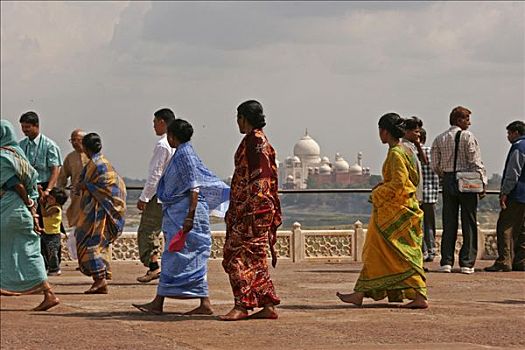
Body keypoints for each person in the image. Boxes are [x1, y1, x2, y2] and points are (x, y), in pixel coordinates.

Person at [132, 119, 229, 315]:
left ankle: (163, 302)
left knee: (178, 256)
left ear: (172, 136)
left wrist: (189, 217)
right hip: (182, 213)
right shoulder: (184, 154)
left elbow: (194, 187)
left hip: (186, 214)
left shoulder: (185, 156)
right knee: (182, 257)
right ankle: (198, 302)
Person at [336, 113, 428, 309]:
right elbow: (412, 180)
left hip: (394, 213)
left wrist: (378, 192)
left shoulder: (396, 152)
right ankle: (360, 293)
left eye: (380, 130)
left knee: (389, 253)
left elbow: (399, 184)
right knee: (387, 254)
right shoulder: (407, 150)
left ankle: (419, 295)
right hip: (405, 209)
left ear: (385, 131)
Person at [220, 100, 282, 321]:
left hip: (252, 212)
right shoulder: (255, 140)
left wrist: (248, 211)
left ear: (245, 118)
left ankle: (242, 305)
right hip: (253, 210)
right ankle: (267, 304)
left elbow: (259, 179)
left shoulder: (255, 141)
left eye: (238, 117)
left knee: (235, 256)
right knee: (256, 258)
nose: (237, 122)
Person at [0, 119, 60, 311]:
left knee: (17, 251)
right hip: (22, 212)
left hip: (11, 210)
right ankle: (44, 292)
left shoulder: (3, 157)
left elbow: (14, 184)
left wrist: (28, 201)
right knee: (29, 252)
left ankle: (47, 293)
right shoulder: (19, 154)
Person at [431, 106, 487, 274]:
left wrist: (445, 175)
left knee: (449, 221)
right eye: (467, 119)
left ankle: (446, 261)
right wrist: (482, 182)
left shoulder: (440, 138)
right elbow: (475, 162)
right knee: (469, 220)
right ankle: (467, 262)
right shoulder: (468, 137)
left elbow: (435, 164)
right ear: (459, 120)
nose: (469, 123)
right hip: (467, 179)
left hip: (448, 179)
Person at [75, 133, 126, 294]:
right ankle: (100, 277)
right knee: (95, 245)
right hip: (96, 210)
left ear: (85, 147)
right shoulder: (96, 163)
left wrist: (85, 186)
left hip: (102, 212)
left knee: (92, 246)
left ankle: (100, 280)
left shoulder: (98, 164)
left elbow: (106, 186)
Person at [136, 108, 176, 283]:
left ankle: (153, 266)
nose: (153, 127)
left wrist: (144, 197)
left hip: (159, 195)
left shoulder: (162, 145)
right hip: (172, 195)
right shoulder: (176, 144)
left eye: (154, 123)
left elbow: (155, 174)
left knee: (148, 230)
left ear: (162, 122)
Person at [485, 121, 525, 272]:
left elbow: (513, 173)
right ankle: (521, 260)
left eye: (509, 133)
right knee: (522, 229)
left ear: (515, 132)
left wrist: (505, 192)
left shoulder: (518, 147)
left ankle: (504, 260)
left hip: (517, 193)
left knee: (505, 227)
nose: (508, 137)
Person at [57, 129, 89, 229]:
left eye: (77, 140)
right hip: (77, 198)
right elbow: (62, 177)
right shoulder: (70, 157)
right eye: (72, 140)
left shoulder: (93, 156)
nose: (74, 143)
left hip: (92, 196)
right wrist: (59, 195)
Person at [419, 128, 440, 262]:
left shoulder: (411, 152)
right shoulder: (432, 152)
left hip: (417, 195)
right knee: (429, 224)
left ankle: (423, 250)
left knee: (418, 225)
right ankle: (432, 250)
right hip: (431, 194)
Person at [39, 187, 68, 276]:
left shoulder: (55, 208)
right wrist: (40, 191)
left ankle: (55, 268)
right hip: (47, 232)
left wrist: (41, 204)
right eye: (49, 197)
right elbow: (44, 197)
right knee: (46, 251)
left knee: (52, 252)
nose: (48, 199)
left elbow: (44, 214)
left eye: (51, 198)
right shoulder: (50, 205)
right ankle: (49, 267)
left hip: (53, 234)